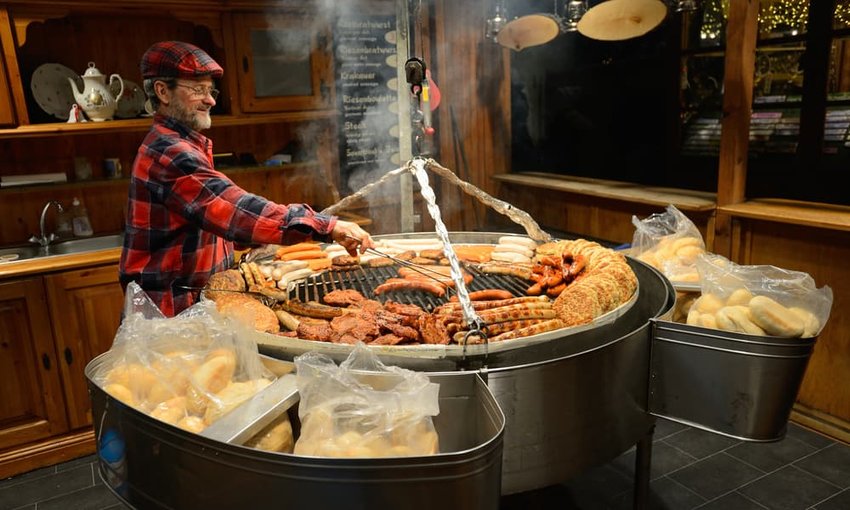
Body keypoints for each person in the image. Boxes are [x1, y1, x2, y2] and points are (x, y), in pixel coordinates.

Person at [119, 41, 374, 316]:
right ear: (162, 91)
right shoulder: (168, 153)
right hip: (166, 314)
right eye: (197, 90)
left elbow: (208, 218)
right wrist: (327, 226)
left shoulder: (184, 144)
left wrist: (251, 240)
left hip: (185, 308)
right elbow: (231, 208)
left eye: (210, 90)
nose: (211, 100)